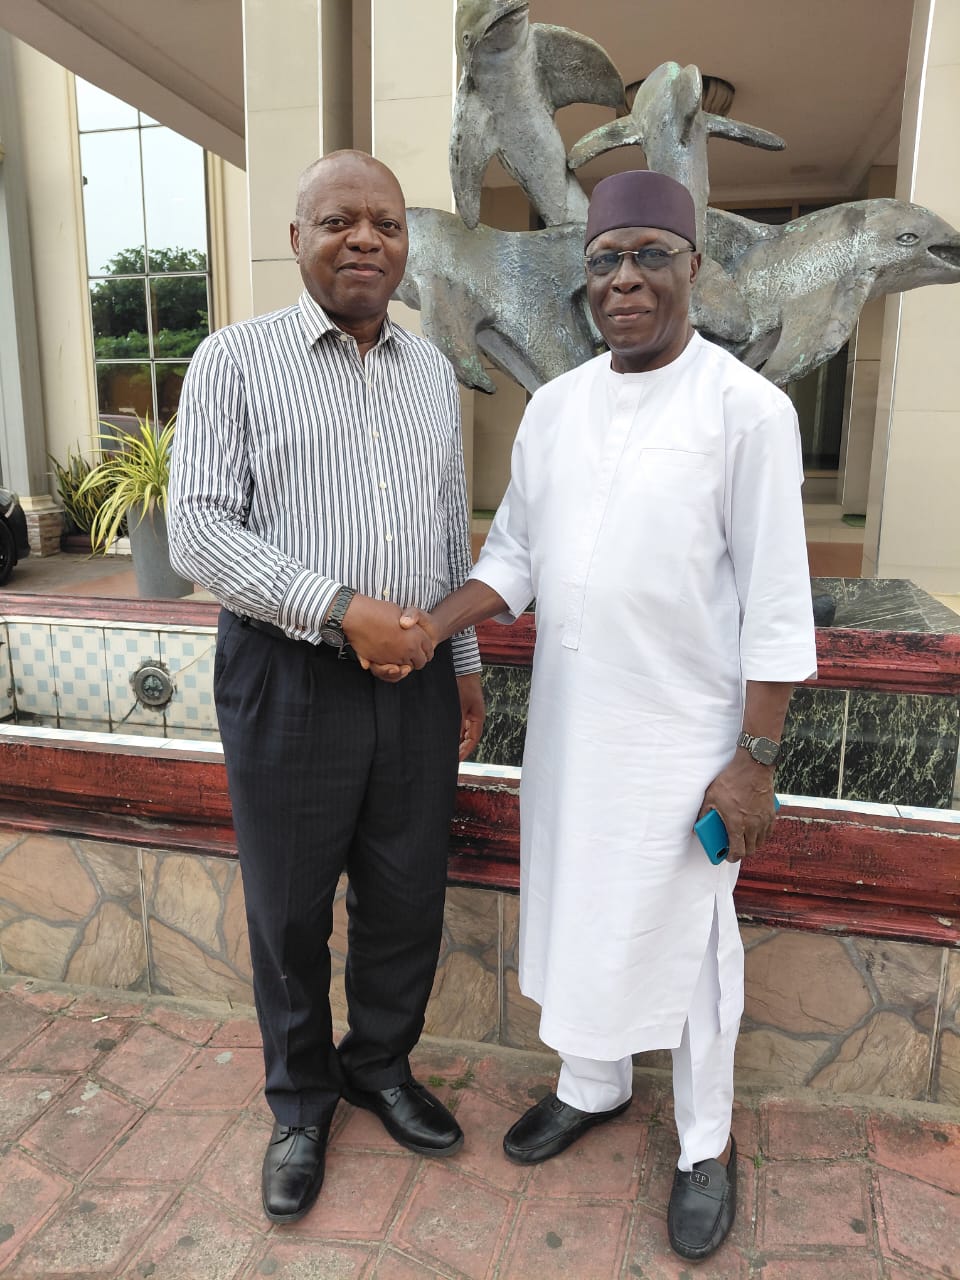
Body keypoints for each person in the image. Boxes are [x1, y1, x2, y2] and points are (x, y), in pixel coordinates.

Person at [418, 169, 817, 1262]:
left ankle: (704, 1143)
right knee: (584, 908)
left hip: (687, 739)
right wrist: (430, 626)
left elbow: (778, 601)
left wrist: (755, 758)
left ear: (694, 266)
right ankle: (591, 1083)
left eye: (649, 255)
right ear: (584, 277)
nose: (625, 279)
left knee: (692, 945)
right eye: (605, 260)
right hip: (575, 727)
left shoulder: (748, 410)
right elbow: (516, 555)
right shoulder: (556, 408)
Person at [167, 149, 485, 1225]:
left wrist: (462, 665)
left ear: (405, 245)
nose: (364, 239)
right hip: (288, 673)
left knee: (406, 894)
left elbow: (445, 530)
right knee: (290, 908)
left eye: (385, 223)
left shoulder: (431, 371)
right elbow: (199, 527)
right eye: (340, 220)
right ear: (297, 236)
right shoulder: (234, 360)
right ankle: (301, 1102)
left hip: (418, 679)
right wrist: (340, 607)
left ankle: (378, 1065)